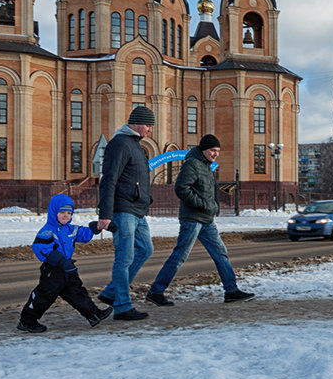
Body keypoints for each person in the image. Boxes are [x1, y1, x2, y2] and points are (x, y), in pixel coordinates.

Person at [144, 134, 256, 306]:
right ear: (203, 150)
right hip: (192, 219)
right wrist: (203, 205)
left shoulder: (206, 166)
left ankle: (231, 290)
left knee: (220, 253)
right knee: (180, 256)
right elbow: (181, 188)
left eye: (217, 151)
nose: (215, 154)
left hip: (206, 220)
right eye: (212, 150)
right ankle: (156, 292)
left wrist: (211, 206)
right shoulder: (192, 164)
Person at [17, 193, 113, 333]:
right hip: (53, 270)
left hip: (67, 269)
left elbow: (83, 234)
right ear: (53, 212)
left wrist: (96, 227)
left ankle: (93, 314)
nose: (65, 216)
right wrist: (61, 261)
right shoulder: (47, 231)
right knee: (44, 296)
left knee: (77, 292)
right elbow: (40, 249)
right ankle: (27, 321)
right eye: (62, 212)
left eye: (69, 213)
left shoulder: (70, 229)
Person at [95, 105, 156, 321]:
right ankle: (122, 306)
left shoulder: (135, 146)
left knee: (146, 249)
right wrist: (105, 214)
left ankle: (112, 292)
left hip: (137, 210)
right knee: (124, 258)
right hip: (123, 210)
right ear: (137, 123)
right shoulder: (120, 144)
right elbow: (109, 179)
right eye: (148, 125)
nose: (149, 130)